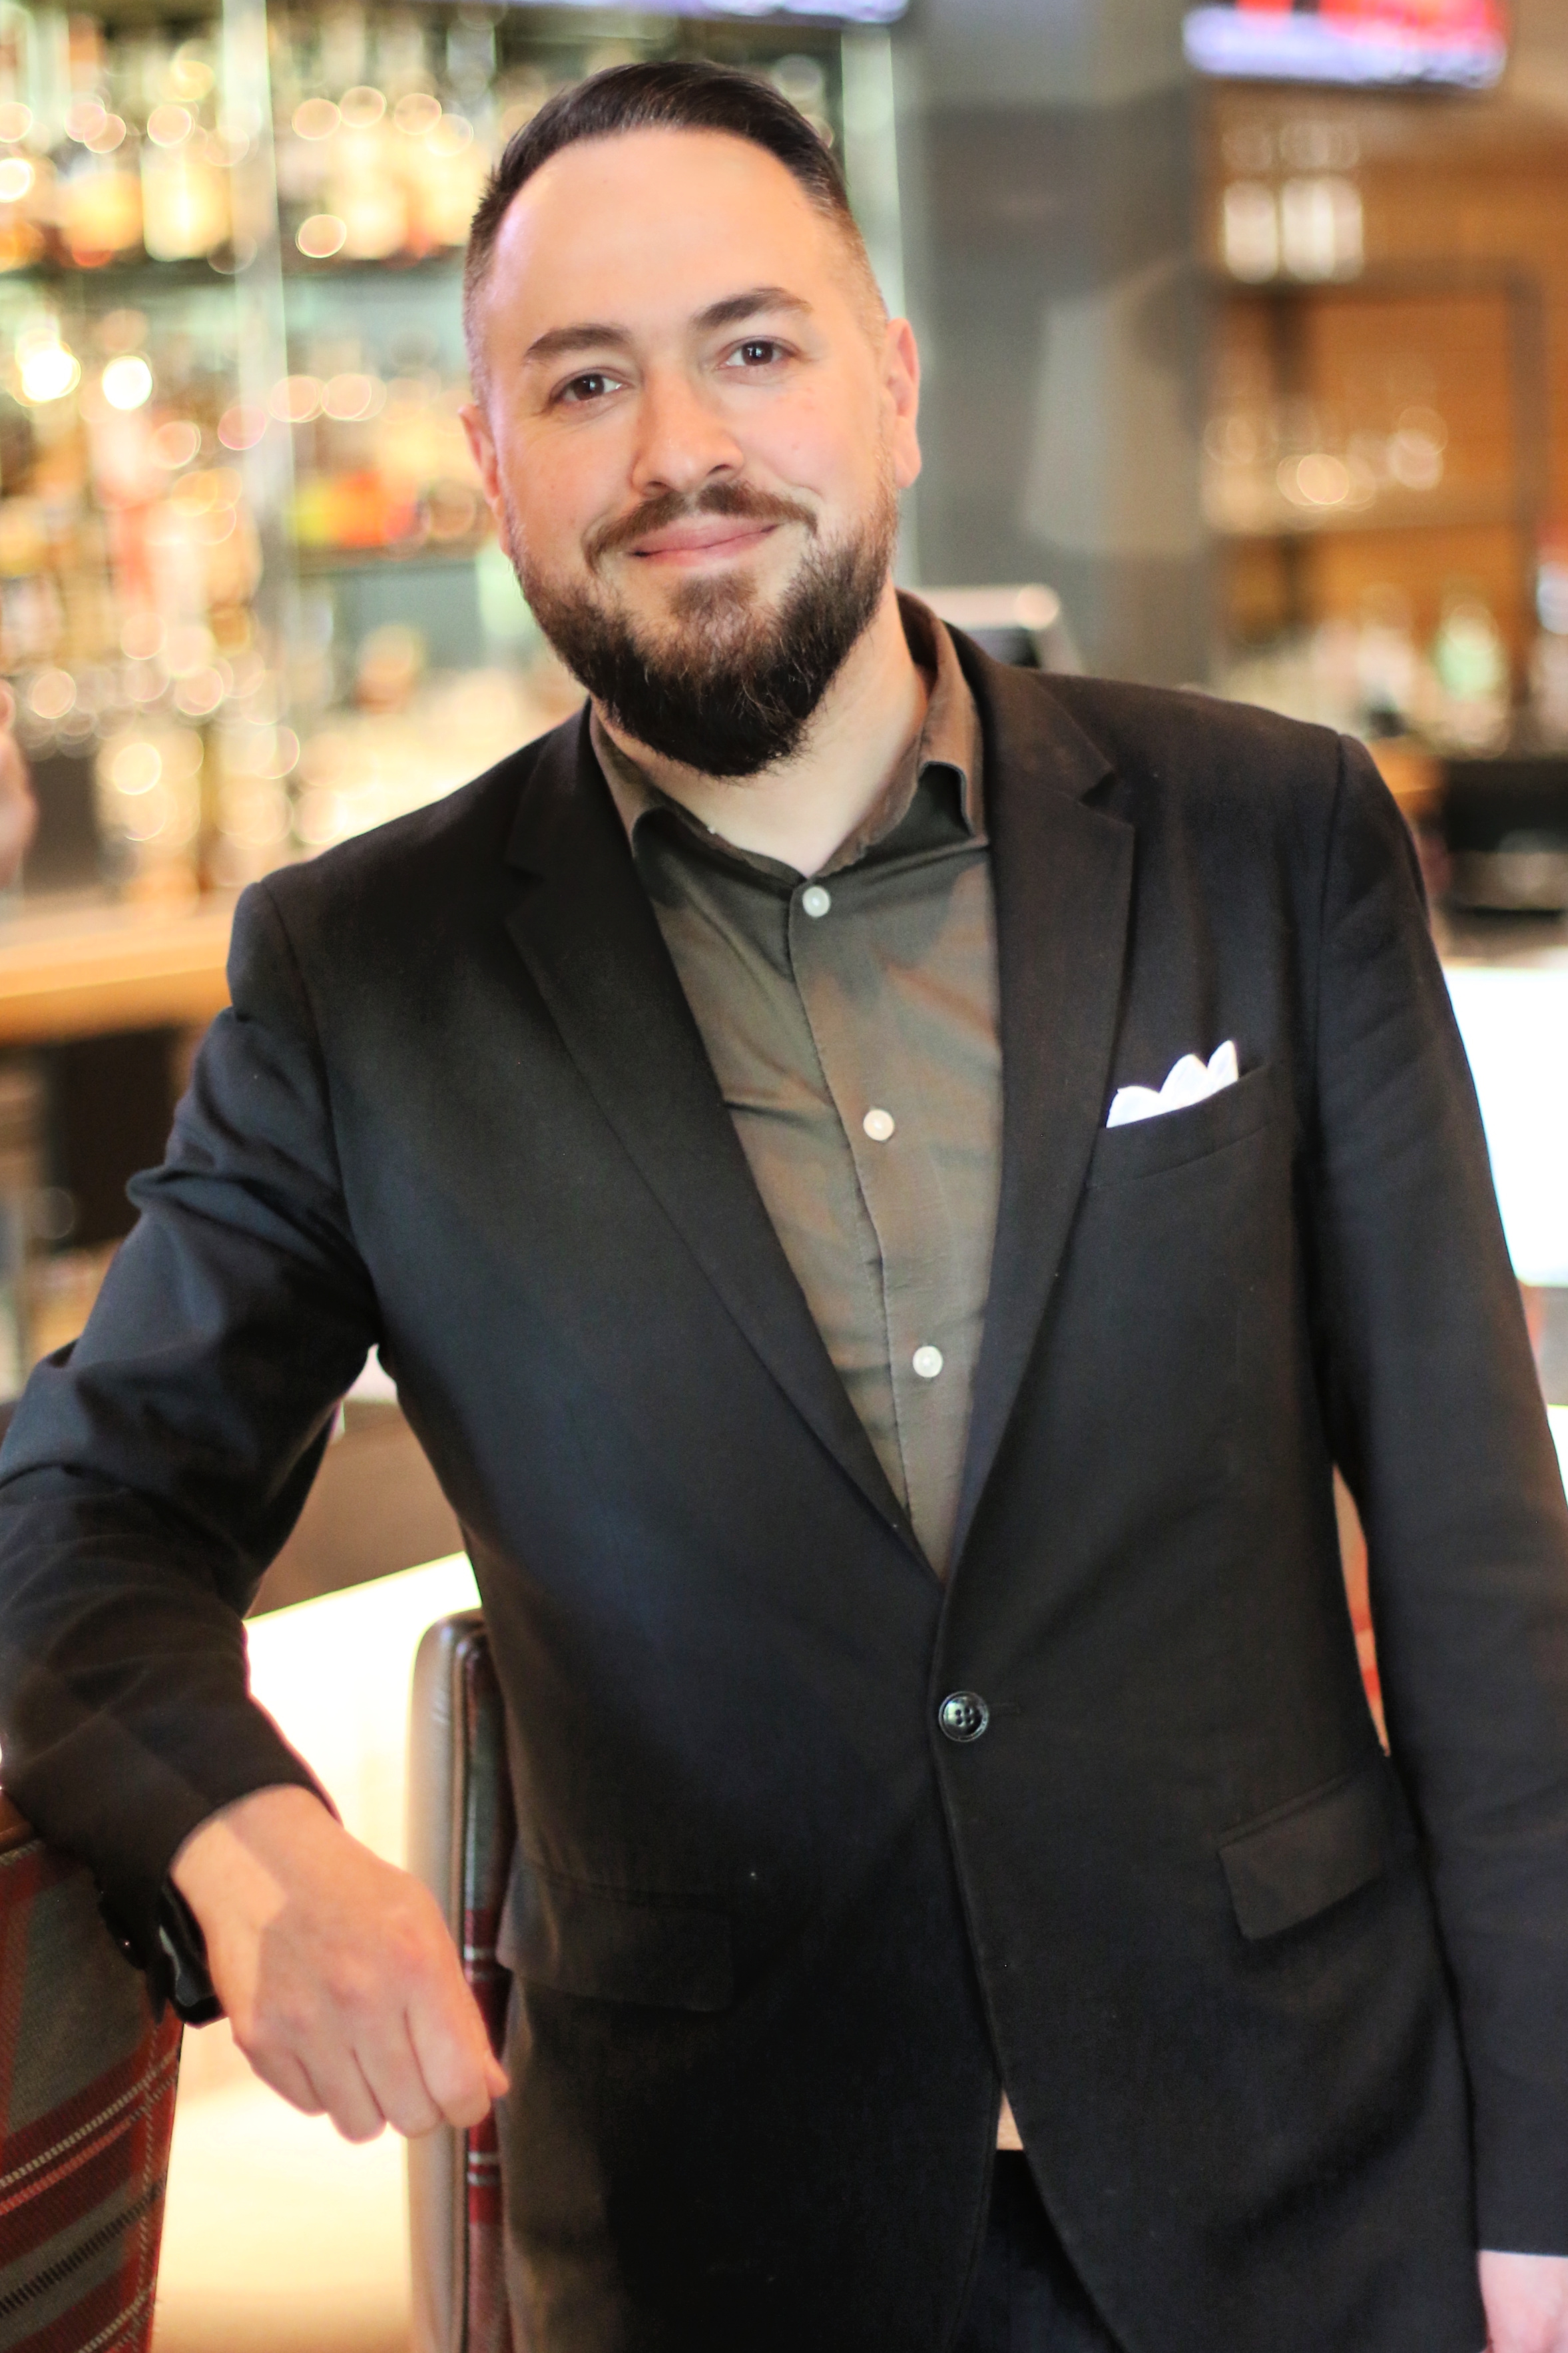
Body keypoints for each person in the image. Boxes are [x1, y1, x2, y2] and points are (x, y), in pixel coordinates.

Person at [0, 59, 1565, 2353]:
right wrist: (248, 1840)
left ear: (893, 386)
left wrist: (1540, 2182)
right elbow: (74, 1512)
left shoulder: (1268, 835)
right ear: (490, 464)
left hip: (1312, 2182)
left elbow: (1475, 1563)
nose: (677, 453)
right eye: (584, 381)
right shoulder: (368, 974)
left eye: (752, 345)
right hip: (731, 2236)